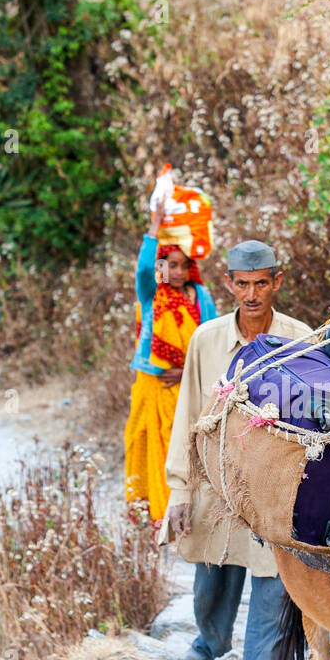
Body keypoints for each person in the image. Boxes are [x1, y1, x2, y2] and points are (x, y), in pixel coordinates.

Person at [163, 240, 312, 660]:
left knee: (274, 603)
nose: (252, 294)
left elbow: (318, 419)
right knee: (212, 584)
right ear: (228, 284)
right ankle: (211, 638)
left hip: (275, 494)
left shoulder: (301, 339)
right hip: (217, 483)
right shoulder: (206, 340)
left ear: (277, 282)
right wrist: (179, 489)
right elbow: (188, 414)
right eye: (242, 284)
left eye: (262, 283)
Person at [124, 199, 217, 523]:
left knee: (187, 449)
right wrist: (155, 226)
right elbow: (144, 269)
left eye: (183, 265)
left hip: (187, 386)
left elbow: (212, 342)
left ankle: (190, 515)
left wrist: (185, 373)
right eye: (170, 264)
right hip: (152, 385)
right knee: (151, 446)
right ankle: (157, 516)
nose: (177, 272)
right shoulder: (151, 293)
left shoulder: (201, 297)